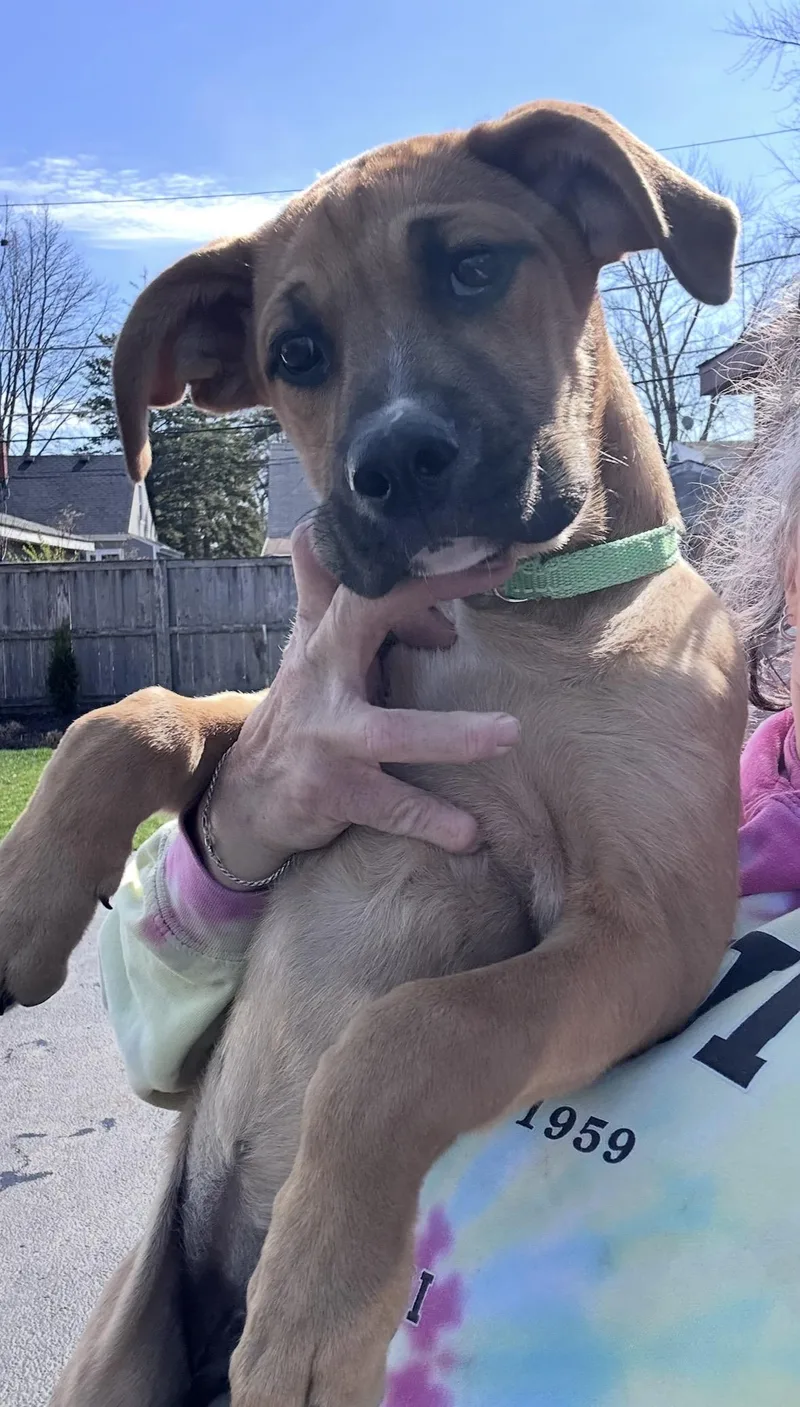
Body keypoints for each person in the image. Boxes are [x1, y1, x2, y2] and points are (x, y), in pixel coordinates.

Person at [98, 303, 800, 1405]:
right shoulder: (636, 744)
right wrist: (241, 826)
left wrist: (392, 1081)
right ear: (790, 558)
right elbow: (149, 1036)